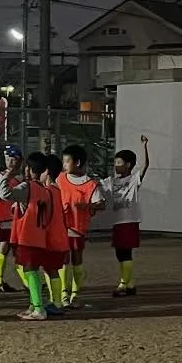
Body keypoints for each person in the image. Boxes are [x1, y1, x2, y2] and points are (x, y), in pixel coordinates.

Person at [0, 151, 56, 321]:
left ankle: (39, 307)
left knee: (30, 271)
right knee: (32, 270)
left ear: (29, 170)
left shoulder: (27, 187)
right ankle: (34, 304)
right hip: (39, 235)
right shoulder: (45, 191)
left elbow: (5, 194)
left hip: (27, 235)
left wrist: (6, 176)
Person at [56, 144, 104, 308]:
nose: (64, 165)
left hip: (77, 227)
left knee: (76, 260)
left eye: (67, 161)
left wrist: (87, 206)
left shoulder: (90, 184)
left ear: (77, 162)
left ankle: (75, 293)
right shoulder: (60, 178)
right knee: (63, 260)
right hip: (61, 226)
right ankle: (63, 291)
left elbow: (101, 204)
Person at [106, 135, 149, 297]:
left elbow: (145, 165)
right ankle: (130, 284)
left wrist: (144, 146)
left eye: (119, 163)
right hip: (117, 221)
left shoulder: (133, 179)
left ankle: (123, 284)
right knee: (120, 253)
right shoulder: (112, 181)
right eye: (115, 163)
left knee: (125, 252)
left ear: (128, 165)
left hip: (129, 220)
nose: (116, 166)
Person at [0, 145, 24, 293]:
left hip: (19, 216)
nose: (10, 161)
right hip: (5, 216)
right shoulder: (0, 176)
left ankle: (27, 281)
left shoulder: (22, 177)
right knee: (5, 246)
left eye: (13, 158)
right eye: (7, 158)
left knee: (18, 248)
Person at [42, 153, 70, 314]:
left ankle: (57, 302)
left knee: (51, 269)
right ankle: (55, 300)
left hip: (51, 237)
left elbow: (48, 215)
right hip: (59, 236)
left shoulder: (48, 191)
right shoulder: (57, 190)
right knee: (51, 269)